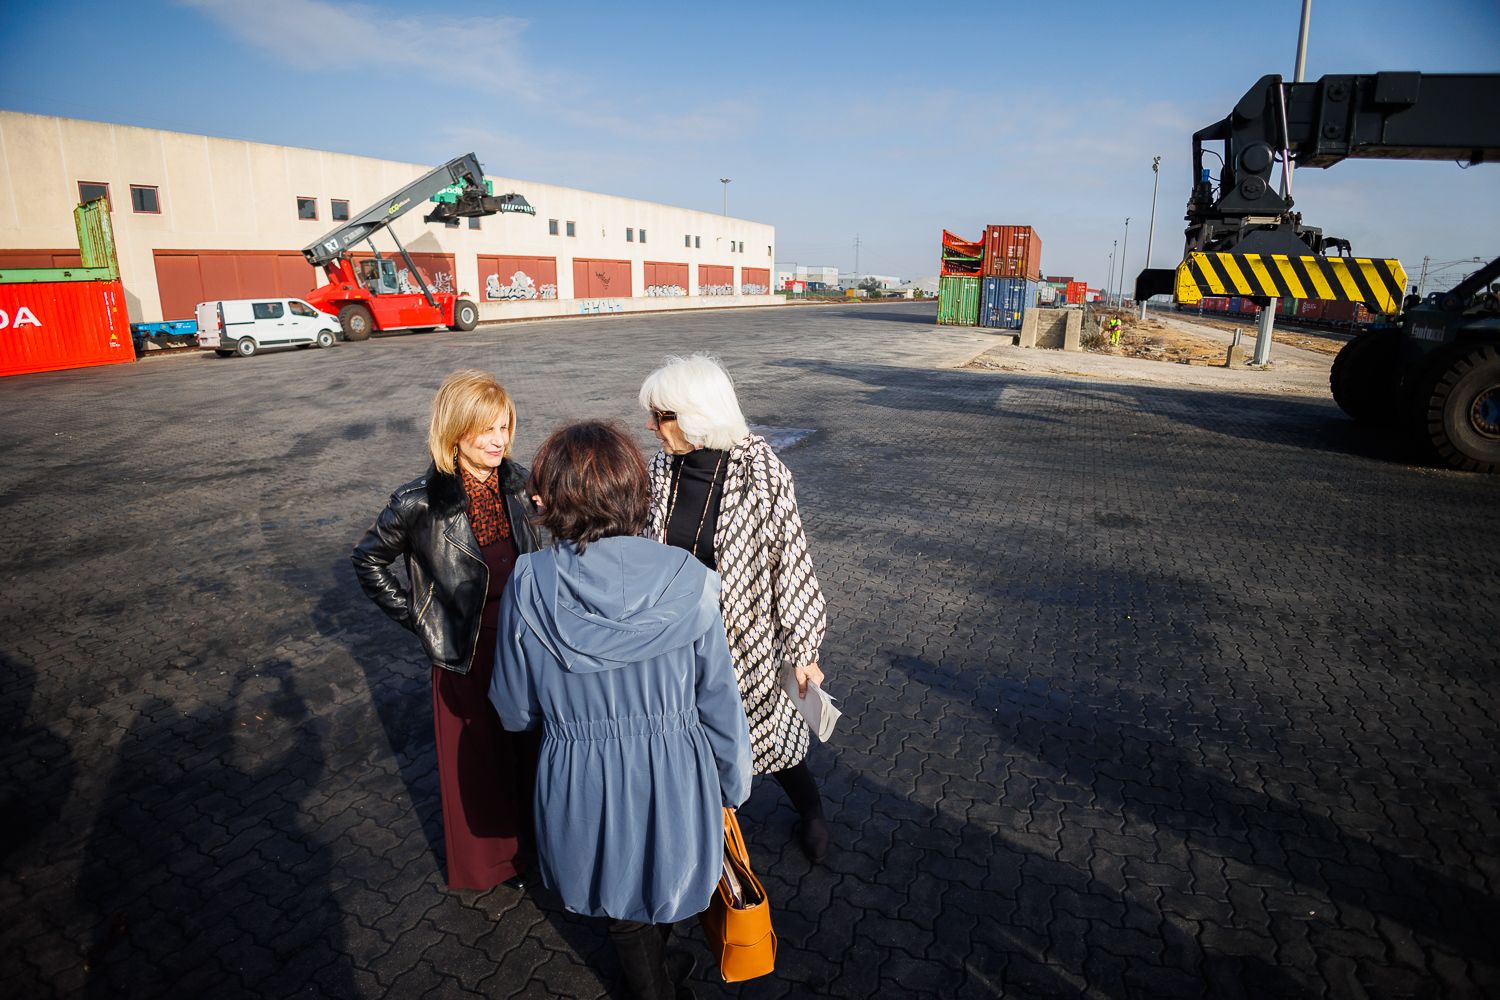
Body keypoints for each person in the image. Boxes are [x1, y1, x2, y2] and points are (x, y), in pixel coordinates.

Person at [489, 421, 751, 1000]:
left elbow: (512, 708)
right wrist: (733, 781)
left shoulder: (528, 582)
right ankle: (657, 980)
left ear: (554, 500)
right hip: (677, 772)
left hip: (579, 777)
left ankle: (651, 982)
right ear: (633, 492)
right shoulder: (693, 580)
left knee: (617, 903)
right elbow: (719, 701)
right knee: (667, 876)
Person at [351, 369, 543, 891]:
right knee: (479, 766)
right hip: (466, 653)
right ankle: (496, 865)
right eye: (487, 430)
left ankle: (539, 847)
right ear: (456, 431)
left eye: (505, 427)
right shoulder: (418, 501)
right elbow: (367, 560)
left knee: (531, 754)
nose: (500, 440)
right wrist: (418, 617)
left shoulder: (523, 486)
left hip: (525, 647)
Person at [638, 354, 832, 863]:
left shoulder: (761, 473)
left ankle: (810, 809)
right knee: (696, 740)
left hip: (742, 638)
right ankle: (710, 833)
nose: (652, 426)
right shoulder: (662, 468)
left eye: (662, 416)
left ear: (696, 414)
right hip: (676, 636)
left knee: (770, 737)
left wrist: (803, 649)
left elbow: (789, 563)